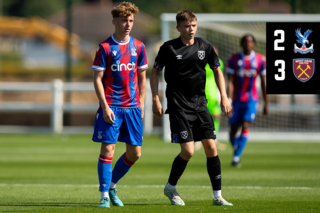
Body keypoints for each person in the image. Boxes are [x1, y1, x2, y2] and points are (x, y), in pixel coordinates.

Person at [150, 9, 233, 206]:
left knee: (211, 147)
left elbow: (217, 71)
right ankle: (170, 187)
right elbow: (154, 73)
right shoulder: (169, 48)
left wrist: (224, 97)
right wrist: (155, 98)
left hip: (201, 105)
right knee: (188, 151)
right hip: (178, 106)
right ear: (178, 28)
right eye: (187, 26)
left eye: (194, 25)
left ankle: (217, 196)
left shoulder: (205, 46)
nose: (191, 29)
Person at [91, 2, 148, 208]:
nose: (128, 24)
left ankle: (112, 185)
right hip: (112, 107)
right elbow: (97, 79)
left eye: (131, 20)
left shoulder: (139, 46)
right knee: (108, 150)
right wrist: (105, 107)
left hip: (132, 107)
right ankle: (104, 194)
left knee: (135, 154)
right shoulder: (105, 47)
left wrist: (141, 104)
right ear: (114, 21)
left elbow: (142, 77)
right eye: (124, 20)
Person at [227, 34, 268, 167]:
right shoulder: (233, 59)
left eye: (250, 42)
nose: (247, 44)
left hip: (251, 99)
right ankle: (238, 149)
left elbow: (263, 82)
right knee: (233, 130)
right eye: (245, 41)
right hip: (236, 100)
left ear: (254, 44)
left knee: (245, 125)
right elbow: (230, 81)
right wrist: (227, 99)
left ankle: (236, 157)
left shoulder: (260, 60)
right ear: (241, 43)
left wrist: (266, 103)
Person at [195, 45, 227, 151]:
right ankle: (198, 140)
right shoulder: (199, 62)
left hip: (213, 93)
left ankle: (214, 139)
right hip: (201, 93)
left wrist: (221, 94)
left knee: (216, 116)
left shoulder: (219, 63)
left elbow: (219, 76)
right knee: (199, 116)